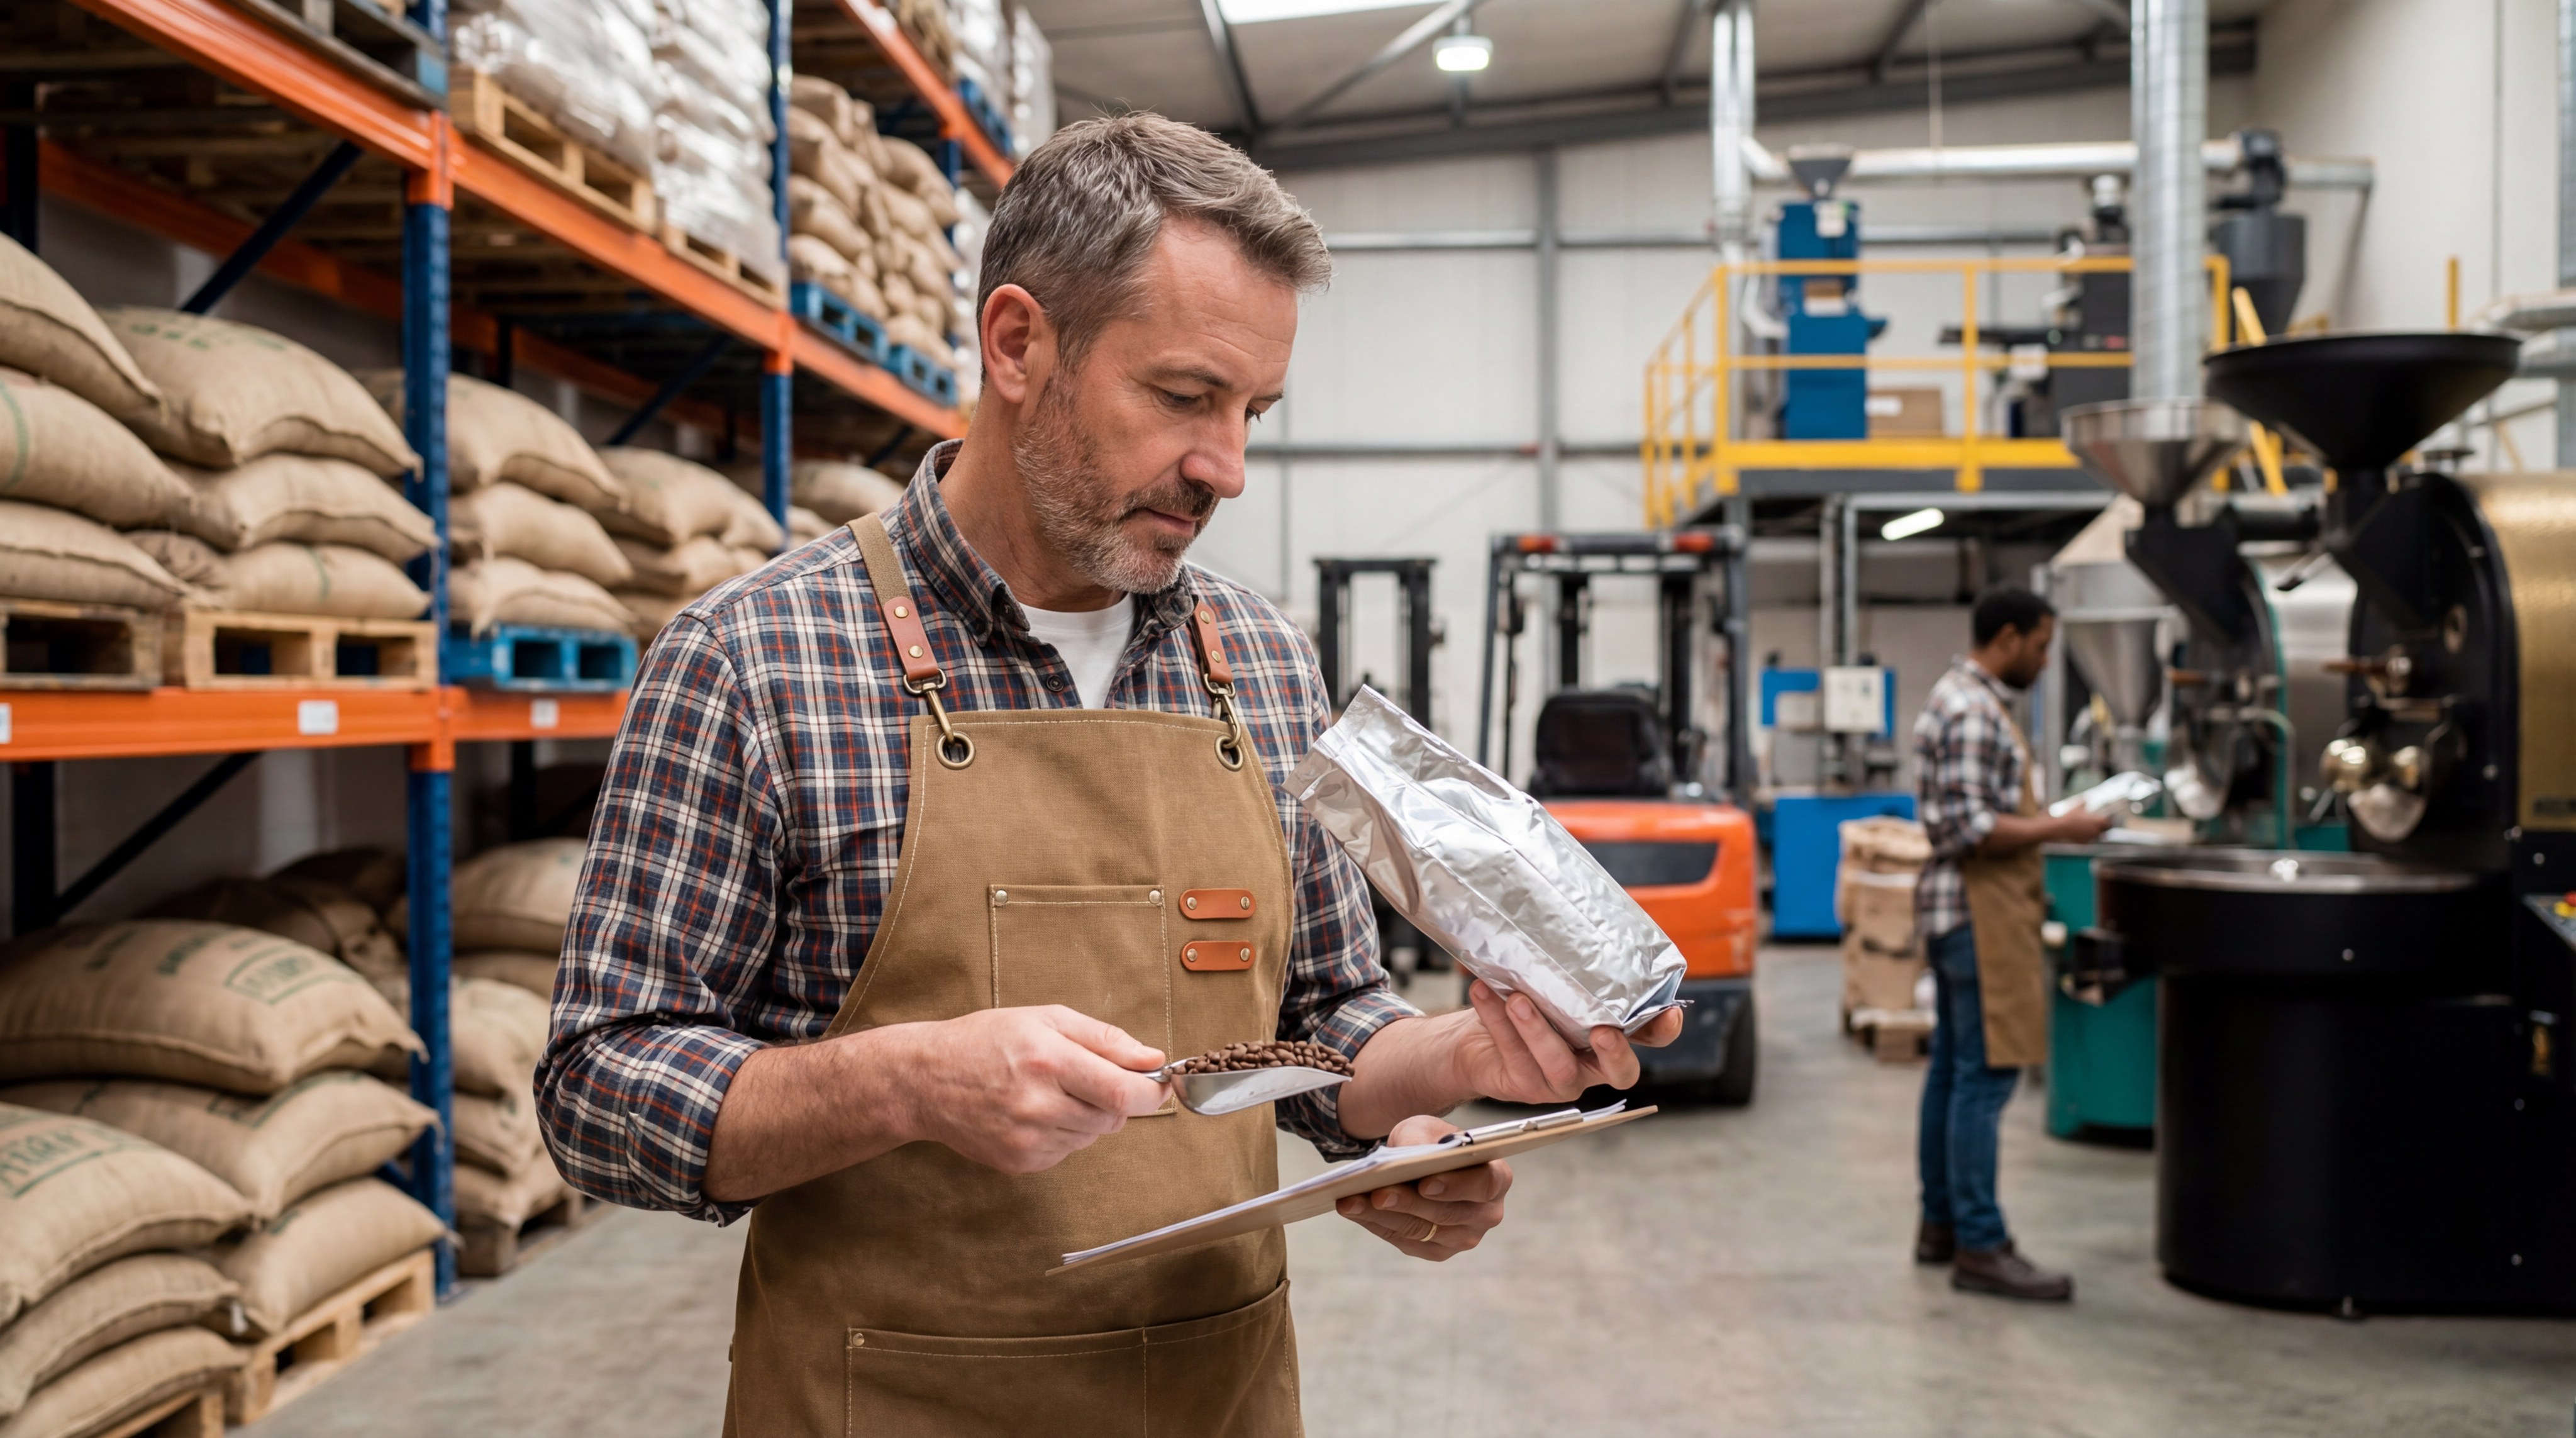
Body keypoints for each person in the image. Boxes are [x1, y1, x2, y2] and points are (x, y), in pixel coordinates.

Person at [535, 113, 1684, 1437]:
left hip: (1217, 1393)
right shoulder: (755, 657)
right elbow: (597, 1088)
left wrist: (1444, 1079)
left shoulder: (1256, 659)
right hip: (885, 1401)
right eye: (1184, 397)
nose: (1227, 469)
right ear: (1018, 344)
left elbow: (1316, 1015)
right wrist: (904, 1082)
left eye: (1252, 412)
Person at [1909, 584, 2109, 1301]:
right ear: (2007, 637)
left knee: (1956, 1073)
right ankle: (1981, 1244)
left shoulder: (1971, 700)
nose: (2046, 657)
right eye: (2041, 643)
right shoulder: (1970, 710)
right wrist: (2063, 829)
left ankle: (1941, 1227)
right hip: (1974, 914)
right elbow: (1964, 827)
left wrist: (2057, 818)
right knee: (1983, 1080)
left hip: (1964, 912)